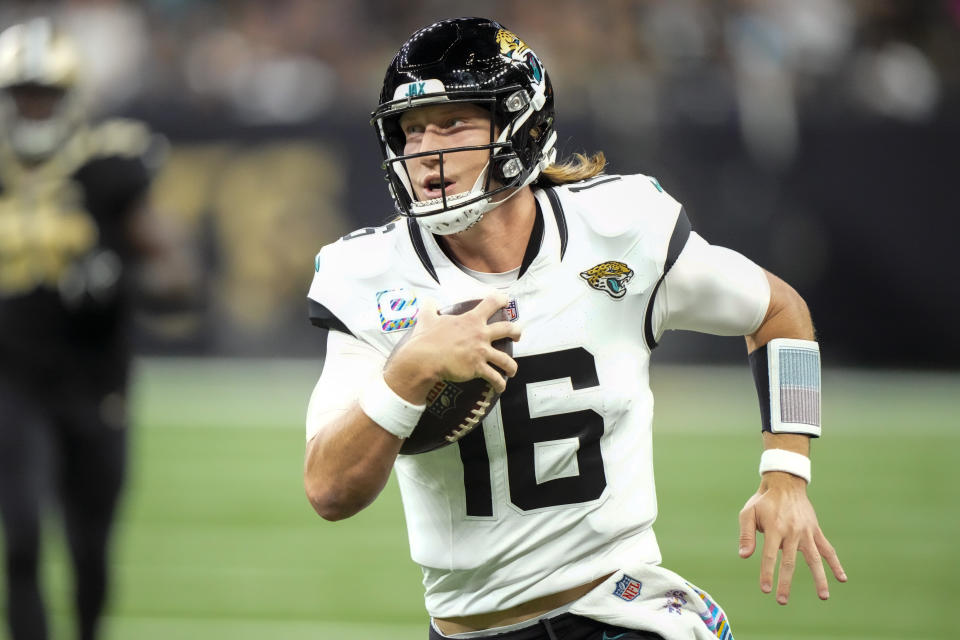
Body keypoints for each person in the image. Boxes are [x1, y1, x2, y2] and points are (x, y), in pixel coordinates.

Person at [304, 17, 846, 640]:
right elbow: (328, 490)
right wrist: (408, 372)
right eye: (411, 130)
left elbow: (783, 313)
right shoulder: (370, 275)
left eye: (452, 123)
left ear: (518, 126)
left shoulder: (618, 229)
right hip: (465, 627)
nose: (426, 150)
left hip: (615, 611)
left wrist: (787, 473)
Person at [0, 18, 193, 640]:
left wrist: (121, 278)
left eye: (45, 95)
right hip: (12, 377)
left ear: (70, 96)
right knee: (23, 533)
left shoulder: (107, 165)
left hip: (94, 379)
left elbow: (181, 283)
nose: (33, 108)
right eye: (21, 95)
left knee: (89, 549)